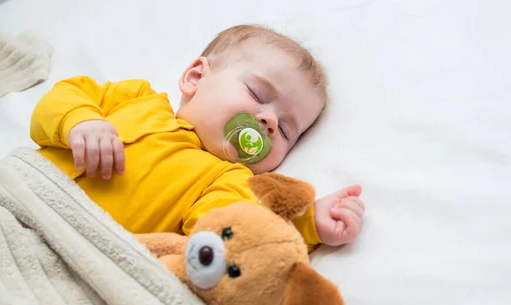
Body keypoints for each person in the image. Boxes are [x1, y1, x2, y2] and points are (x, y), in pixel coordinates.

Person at [30, 24, 364, 251]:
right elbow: (63, 96)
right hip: (22, 192)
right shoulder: (138, 98)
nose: (269, 121)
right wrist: (80, 122)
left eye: (287, 130)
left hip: (72, 248)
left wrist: (308, 223)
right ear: (195, 77)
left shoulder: (229, 181)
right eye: (258, 93)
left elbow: (237, 233)